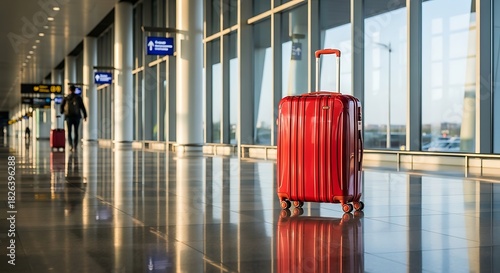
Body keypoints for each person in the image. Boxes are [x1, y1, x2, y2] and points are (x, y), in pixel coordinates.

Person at [60, 85, 87, 152]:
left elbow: (62, 106)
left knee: (69, 132)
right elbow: (82, 107)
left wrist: (62, 112)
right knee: (76, 132)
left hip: (68, 117)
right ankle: (75, 146)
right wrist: (85, 115)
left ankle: (70, 145)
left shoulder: (66, 98)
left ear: (69, 90)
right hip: (77, 117)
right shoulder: (78, 98)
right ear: (75, 90)